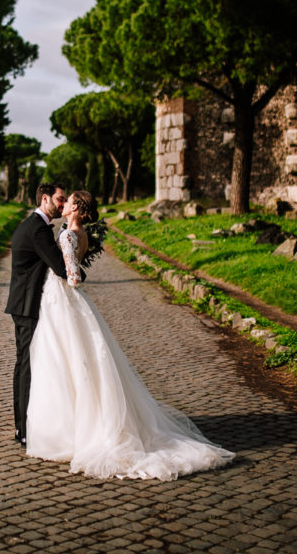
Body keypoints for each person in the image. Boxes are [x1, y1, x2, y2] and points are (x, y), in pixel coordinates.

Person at [25, 190, 236, 480]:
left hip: (62, 301)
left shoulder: (68, 235)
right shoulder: (81, 232)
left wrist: (63, 275)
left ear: (76, 207)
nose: (63, 205)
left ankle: (68, 433)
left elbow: (73, 277)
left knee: (64, 361)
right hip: (67, 303)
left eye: (68, 201)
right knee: (78, 360)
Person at [3, 183, 68, 445]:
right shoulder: (39, 230)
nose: (62, 206)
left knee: (23, 365)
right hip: (27, 305)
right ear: (45, 198)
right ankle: (25, 429)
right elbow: (61, 267)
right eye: (59, 200)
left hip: (21, 304)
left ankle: (21, 427)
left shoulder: (29, 224)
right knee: (26, 367)